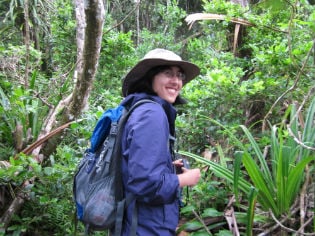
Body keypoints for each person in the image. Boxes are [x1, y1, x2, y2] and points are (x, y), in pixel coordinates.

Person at [119, 48, 201, 235]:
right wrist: (185, 179)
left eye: (179, 75)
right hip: (146, 227)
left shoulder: (139, 109)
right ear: (150, 78)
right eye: (167, 73)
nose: (176, 81)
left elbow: (134, 167)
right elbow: (144, 185)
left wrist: (166, 167)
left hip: (136, 223)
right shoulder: (151, 114)